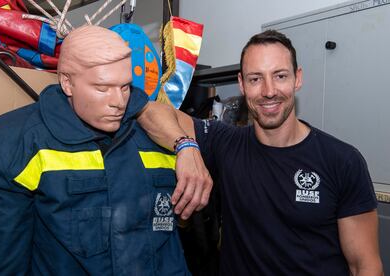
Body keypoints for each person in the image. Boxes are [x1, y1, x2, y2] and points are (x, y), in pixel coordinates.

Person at [137, 30, 383, 275]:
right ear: (242, 84)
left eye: (280, 76)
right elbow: (149, 111)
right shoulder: (225, 142)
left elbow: (365, 266)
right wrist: (186, 146)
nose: (268, 91)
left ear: (297, 78)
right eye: (255, 79)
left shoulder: (342, 161)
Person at [0, 25, 212, 275]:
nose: (118, 102)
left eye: (125, 87)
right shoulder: (12, 145)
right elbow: (0, 264)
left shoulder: (159, 135)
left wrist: (187, 147)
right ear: (67, 82)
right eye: (102, 88)